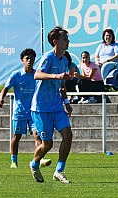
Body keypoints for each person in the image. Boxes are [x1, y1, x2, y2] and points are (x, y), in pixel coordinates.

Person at [29, 26, 73, 184]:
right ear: (55, 41)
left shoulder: (65, 60)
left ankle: (59, 171)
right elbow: (37, 75)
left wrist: (66, 101)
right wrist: (56, 75)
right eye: (65, 39)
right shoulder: (48, 57)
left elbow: (62, 84)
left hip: (56, 106)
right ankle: (34, 164)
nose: (68, 42)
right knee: (47, 144)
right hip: (41, 108)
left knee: (68, 135)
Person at [0, 48, 52, 169]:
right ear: (22, 60)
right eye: (27, 58)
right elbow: (6, 87)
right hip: (20, 112)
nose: (29, 61)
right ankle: (13, 160)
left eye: (32, 58)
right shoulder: (16, 75)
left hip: (33, 112)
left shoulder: (36, 75)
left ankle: (39, 159)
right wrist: (1, 99)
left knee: (37, 135)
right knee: (17, 137)